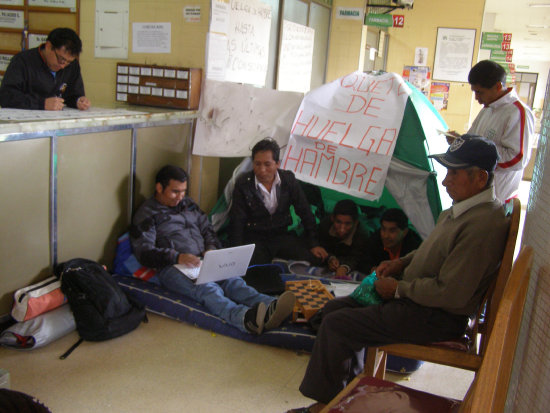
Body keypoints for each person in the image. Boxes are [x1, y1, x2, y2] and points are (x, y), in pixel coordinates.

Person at [288, 135, 510, 413]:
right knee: (333, 310)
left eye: (454, 173)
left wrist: (397, 289)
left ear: (480, 178)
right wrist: (400, 263)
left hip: (435, 315)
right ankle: (345, 397)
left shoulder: (482, 224)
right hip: (417, 301)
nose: (444, 181)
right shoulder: (462, 210)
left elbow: (452, 294)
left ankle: (324, 407)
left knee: (338, 326)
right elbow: (430, 250)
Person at [130, 165, 295, 335]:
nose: (180, 197)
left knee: (233, 281)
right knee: (208, 289)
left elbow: (207, 229)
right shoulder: (147, 214)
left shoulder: (188, 205)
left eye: (183, 191)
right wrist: (177, 257)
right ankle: (245, 318)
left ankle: (271, 306)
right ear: (159, 188)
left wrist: (210, 248)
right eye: (175, 191)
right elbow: (144, 252)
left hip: (203, 260)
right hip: (173, 267)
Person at [229, 138, 327, 266]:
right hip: (255, 237)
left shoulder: (288, 180)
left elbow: (304, 211)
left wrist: (314, 244)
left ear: (277, 164)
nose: (262, 170)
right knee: (254, 268)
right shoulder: (243, 184)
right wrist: (236, 252)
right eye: (257, 164)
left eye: (267, 164)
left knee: (316, 259)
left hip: (281, 235)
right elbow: (237, 220)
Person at [461, 60, 534, 202]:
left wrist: (480, 153)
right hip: (478, 192)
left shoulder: (517, 112)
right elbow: (472, 136)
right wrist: (460, 140)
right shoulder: (488, 109)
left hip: (499, 196)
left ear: (498, 86)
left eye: (480, 92)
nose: (476, 98)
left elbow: (517, 158)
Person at [0, 27, 91, 111]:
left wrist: (78, 101)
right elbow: (6, 96)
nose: (63, 66)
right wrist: (41, 104)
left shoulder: (72, 65)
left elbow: (72, 94)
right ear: (48, 46)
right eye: (61, 59)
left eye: (68, 62)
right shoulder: (22, 61)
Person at [316, 199, 368, 279]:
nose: (342, 229)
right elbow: (320, 245)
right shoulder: (325, 226)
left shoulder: (361, 234)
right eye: (338, 222)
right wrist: (330, 258)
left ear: (355, 223)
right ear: (332, 219)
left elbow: (357, 257)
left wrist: (345, 267)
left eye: (347, 224)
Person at [359, 208, 422, 273]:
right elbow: (363, 260)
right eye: (383, 229)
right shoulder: (375, 239)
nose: (386, 236)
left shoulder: (415, 246)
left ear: (405, 232)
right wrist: (373, 270)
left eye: (392, 231)